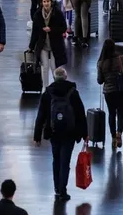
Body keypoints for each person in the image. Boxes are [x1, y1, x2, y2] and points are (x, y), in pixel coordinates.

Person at [33, 67, 89, 201]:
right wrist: (85, 134)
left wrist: (37, 136)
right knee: (65, 162)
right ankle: (63, 190)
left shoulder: (48, 93)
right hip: (69, 133)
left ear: (54, 77)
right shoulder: (73, 92)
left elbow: (41, 115)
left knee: (56, 160)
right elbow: (81, 114)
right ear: (65, 77)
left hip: (54, 132)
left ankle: (57, 189)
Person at [96, 38, 123, 149]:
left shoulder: (101, 63)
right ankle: (119, 133)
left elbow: (100, 80)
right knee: (121, 113)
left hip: (109, 92)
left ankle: (113, 137)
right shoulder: (121, 59)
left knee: (112, 114)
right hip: (121, 90)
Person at [28, 0, 68, 87]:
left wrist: (51, 29)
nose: (46, 3)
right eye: (44, 2)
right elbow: (34, 32)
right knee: (45, 67)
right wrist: (31, 46)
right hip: (43, 45)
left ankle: (56, 86)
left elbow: (63, 27)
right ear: (42, 3)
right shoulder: (37, 15)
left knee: (54, 67)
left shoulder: (57, 13)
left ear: (51, 2)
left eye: (48, 1)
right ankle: (45, 88)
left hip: (55, 44)